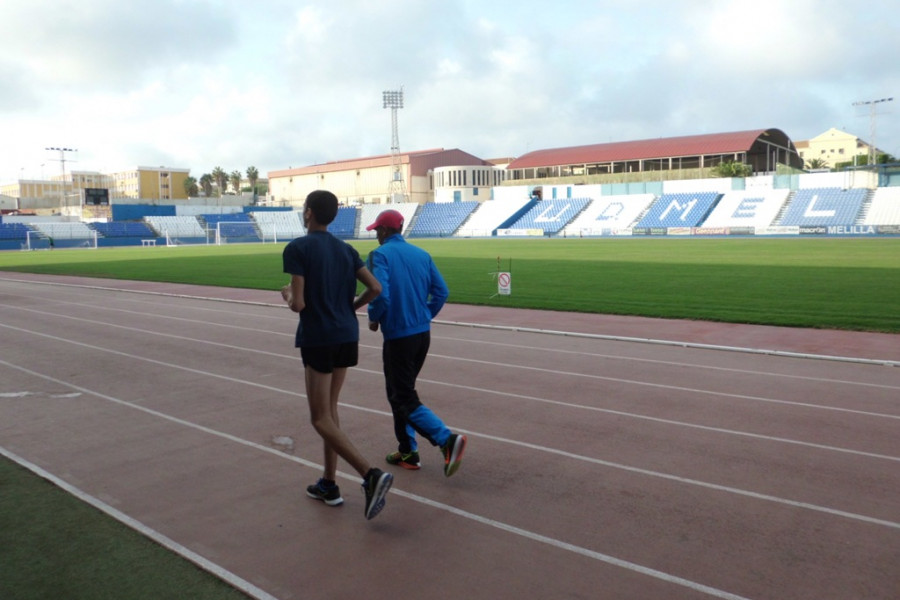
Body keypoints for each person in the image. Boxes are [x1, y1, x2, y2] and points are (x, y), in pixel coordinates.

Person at [281, 190, 393, 520]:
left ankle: (369, 474)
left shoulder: (298, 248)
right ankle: (329, 483)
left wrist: (286, 293)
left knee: (319, 418)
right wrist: (349, 308)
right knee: (330, 411)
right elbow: (375, 289)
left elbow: (298, 304)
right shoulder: (347, 250)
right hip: (347, 335)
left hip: (319, 338)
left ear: (309, 213)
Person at [365, 209, 467, 477]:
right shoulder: (422, 255)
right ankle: (408, 451)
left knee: (402, 396)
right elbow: (442, 291)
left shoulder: (380, 255)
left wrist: (373, 318)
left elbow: (381, 295)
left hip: (399, 336)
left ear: (385, 231)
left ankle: (446, 439)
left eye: (377, 230)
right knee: (401, 393)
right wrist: (423, 316)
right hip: (422, 334)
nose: (376, 234)